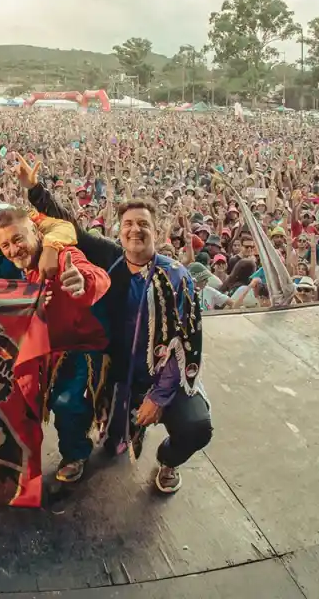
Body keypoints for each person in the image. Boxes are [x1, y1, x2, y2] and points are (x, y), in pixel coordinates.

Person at [98, 198, 212, 494]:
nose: (135, 230)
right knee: (113, 447)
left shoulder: (177, 276)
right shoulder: (108, 271)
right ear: (118, 232)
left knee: (196, 427)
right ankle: (125, 426)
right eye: (128, 224)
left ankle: (168, 459)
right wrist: (35, 191)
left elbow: (187, 343)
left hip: (167, 380)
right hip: (122, 380)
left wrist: (159, 397)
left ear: (157, 231)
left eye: (143, 224)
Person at [0, 207, 112, 483]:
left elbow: (97, 276)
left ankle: (75, 453)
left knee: (66, 403)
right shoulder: (8, 268)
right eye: (5, 245)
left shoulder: (62, 255)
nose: (13, 249)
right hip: (40, 347)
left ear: (36, 233)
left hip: (81, 344)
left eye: (18, 239)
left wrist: (83, 282)